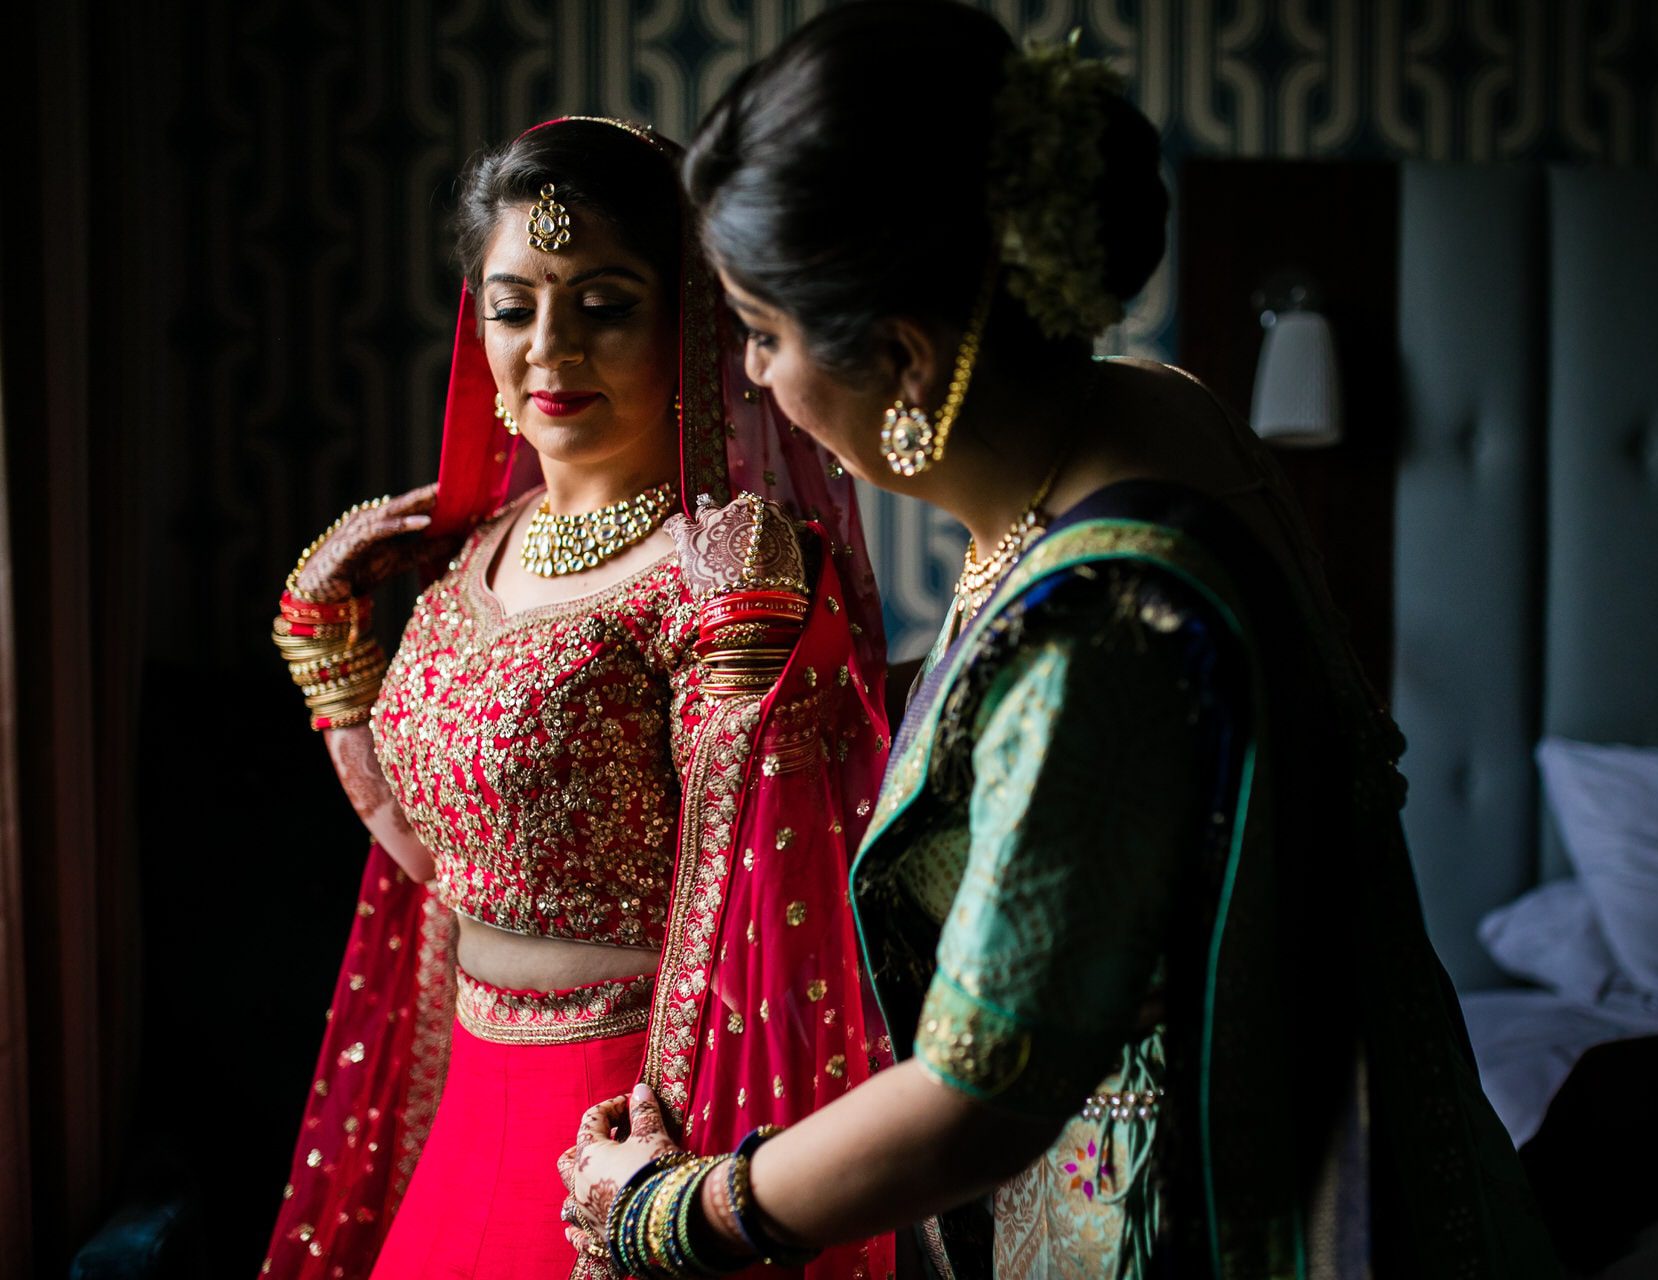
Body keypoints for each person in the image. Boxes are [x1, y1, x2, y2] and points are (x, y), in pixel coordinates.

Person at [560, 5, 1560, 1278]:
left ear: (905, 356)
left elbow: (979, 1095)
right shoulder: (1157, 417)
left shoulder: (1102, 627)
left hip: (1199, 1221)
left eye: (762, 331)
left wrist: (670, 1208)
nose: (755, 378)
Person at [259, 116, 893, 1280]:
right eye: (514, 305)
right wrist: (328, 650)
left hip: (623, 1127)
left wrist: (651, 1190)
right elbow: (438, 863)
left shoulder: (730, 562)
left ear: (690, 322)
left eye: (604, 304)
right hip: (466, 1104)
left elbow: (738, 892)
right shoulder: (481, 552)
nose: (549, 348)